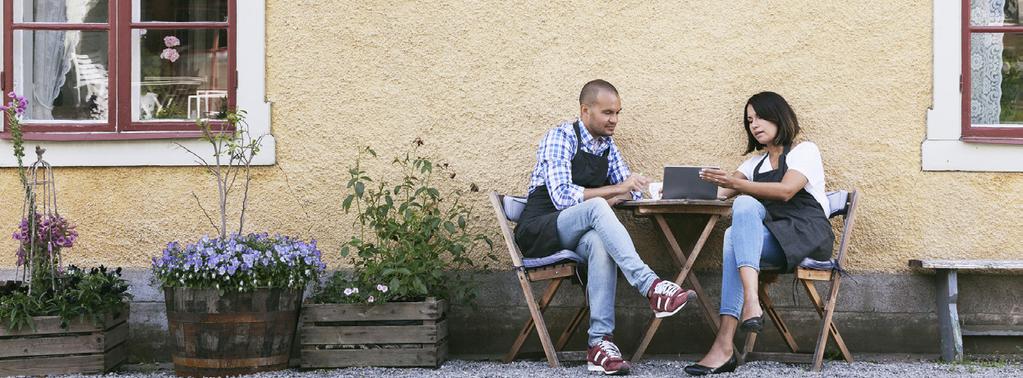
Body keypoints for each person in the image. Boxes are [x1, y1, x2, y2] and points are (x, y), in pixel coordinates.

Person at [515, 79, 696, 376]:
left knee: (600, 243)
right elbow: (562, 197)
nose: (614, 120)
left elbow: (629, 189)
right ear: (585, 111)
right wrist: (615, 190)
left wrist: (648, 188)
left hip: (575, 233)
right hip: (540, 230)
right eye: (607, 113)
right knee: (598, 207)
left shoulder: (607, 146)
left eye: (618, 113)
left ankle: (599, 344)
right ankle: (651, 286)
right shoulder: (560, 137)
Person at [684, 91, 835, 375]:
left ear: (780, 116)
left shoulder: (805, 151)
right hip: (777, 241)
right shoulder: (754, 164)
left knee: (742, 205)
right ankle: (736, 328)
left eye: (761, 117)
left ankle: (732, 331)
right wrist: (670, 189)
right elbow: (720, 193)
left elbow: (786, 190)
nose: (754, 124)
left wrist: (737, 185)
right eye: (750, 120)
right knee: (735, 227)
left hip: (807, 237)